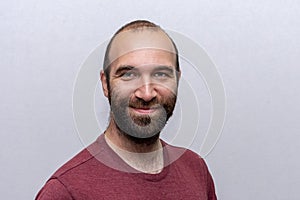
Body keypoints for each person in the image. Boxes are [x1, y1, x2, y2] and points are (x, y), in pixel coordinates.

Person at [36, 20, 217, 200]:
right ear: (105, 84)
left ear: (177, 79)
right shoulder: (66, 191)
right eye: (128, 75)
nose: (146, 93)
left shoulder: (196, 169)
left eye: (161, 74)